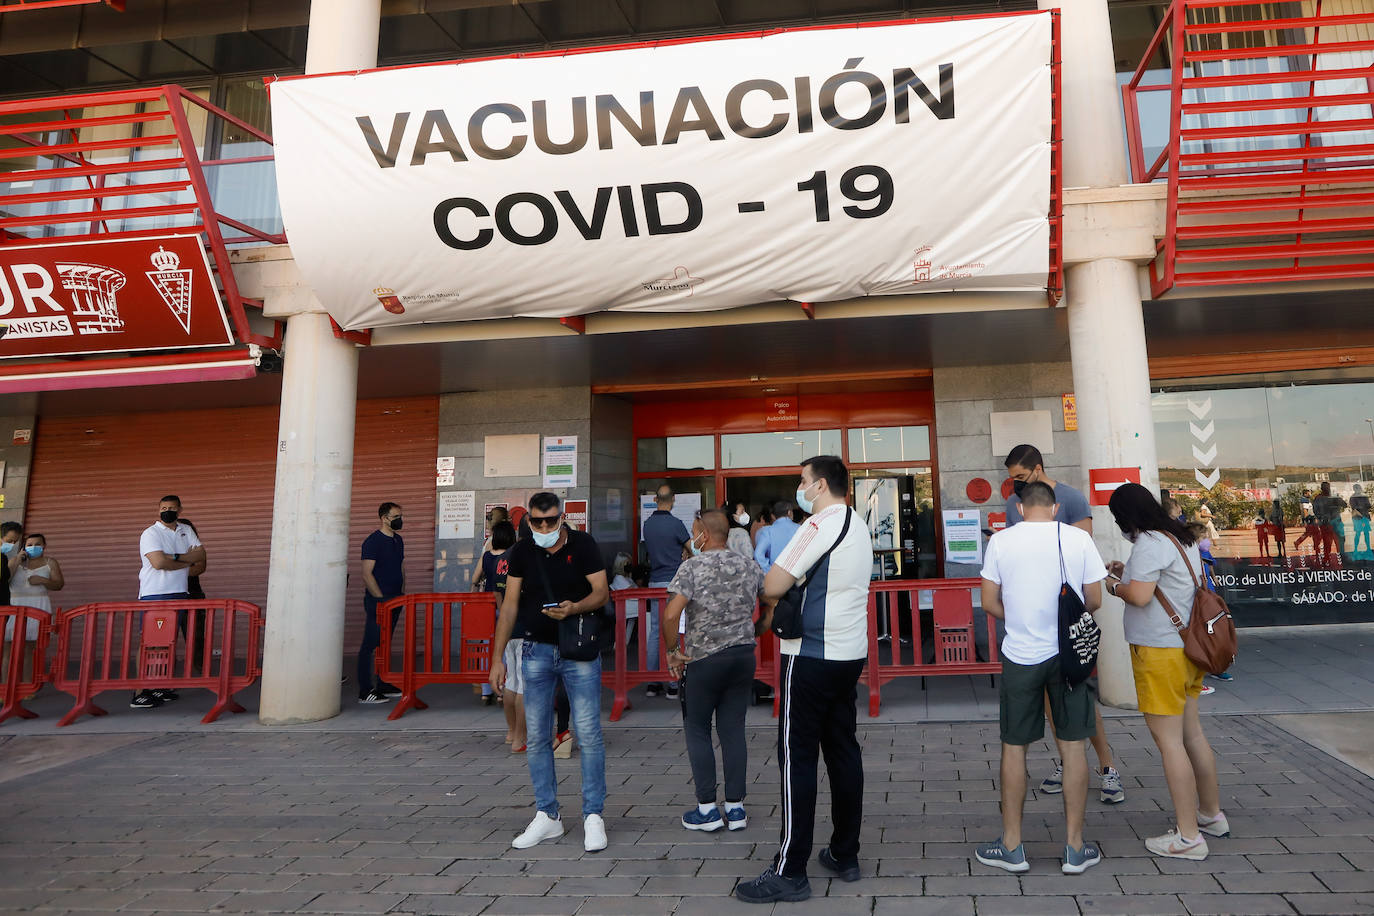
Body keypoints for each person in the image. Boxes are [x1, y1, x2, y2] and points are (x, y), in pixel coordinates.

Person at [737, 456, 872, 904]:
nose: (800, 488)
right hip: (848, 653)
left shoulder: (816, 526)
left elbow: (773, 584)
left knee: (797, 758)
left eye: (802, 481)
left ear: (818, 487)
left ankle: (790, 870)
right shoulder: (857, 522)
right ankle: (843, 852)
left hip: (809, 654)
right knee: (842, 750)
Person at [975, 480, 1105, 875]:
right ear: (1053, 508)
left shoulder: (1001, 541)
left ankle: (1012, 846)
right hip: (1068, 658)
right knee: (1073, 747)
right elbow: (1095, 599)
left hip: (1020, 656)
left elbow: (987, 602)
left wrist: (1017, 619)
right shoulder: (1079, 539)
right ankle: (1075, 848)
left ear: (1017, 508)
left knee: (1014, 747)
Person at [1104, 483, 1227, 861]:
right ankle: (1210, 815)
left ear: (1127, 516)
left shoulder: (1149, 543)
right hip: (1190, 650)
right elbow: (1166, 584)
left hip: (1160, 652)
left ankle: (1188, 837)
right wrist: (1130, 574)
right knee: (1192, 734)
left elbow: (1140, 596)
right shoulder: (1181, 537)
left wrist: (1112, 585)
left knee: (1169, 742)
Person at [1002, 445, 1124, 805]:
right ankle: (1067, 762)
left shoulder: (1070, 497)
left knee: (1080, 697)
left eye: (1020, 478)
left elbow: (1084, 550)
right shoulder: (1015, 505)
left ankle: (1107, 767)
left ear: (1038, 469)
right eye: (1011, 479)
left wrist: (1083, 610)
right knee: (1052, 702)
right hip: (1033, 622)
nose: (1014, 486)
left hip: (1069, 617)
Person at [490, 491, 610, 853]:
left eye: (550, 520)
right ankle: (547, 815)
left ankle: (593, 816)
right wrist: (497, 658)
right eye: (536, 521)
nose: (543, 527)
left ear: (561, 517)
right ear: (527, 520)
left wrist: (574, 608)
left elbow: (601, 592)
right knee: (538, 736)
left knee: (588, 733)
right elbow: (509, 605)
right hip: (535, 648)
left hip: (579, 650)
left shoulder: (584, 544)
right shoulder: (522, 551)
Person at [664, 509, 766, 833]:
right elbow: (774, 602)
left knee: (697, 727)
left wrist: (673, 653)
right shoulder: (748, 566)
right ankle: (736, 808)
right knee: (733, 729)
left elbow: (670, 616)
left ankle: (707, 809)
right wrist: (753, 631)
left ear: (703, 535)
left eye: (694, 532)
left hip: (704, 658)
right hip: (742, 656)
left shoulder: (691, 567)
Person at [133, 496, 207, 709]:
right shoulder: (151, 533)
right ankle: (140, 691)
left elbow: (200, 555)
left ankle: (158, 685)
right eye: (164, 508)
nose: (167, 511)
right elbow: (157, 562)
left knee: (166, 642)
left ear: (180, 509)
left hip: (180, 593)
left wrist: (172, 559)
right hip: (155, 594)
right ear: (158, 510)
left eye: (172, 508)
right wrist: (185, 559)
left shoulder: (185, 530)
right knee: (149, 642)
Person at [642, 485, 690, 698]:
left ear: (654, 499)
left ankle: (652, 683)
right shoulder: (676, 524)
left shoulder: (647, 525)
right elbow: (692, 549)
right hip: (674, 582)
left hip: (654, 582)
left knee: (655, 631)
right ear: (674, 499)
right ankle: (673, 682)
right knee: (676, 629)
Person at [358, 502, 405, 704]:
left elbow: (401, 566)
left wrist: (402, 592)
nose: (399, 520)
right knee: (370, 644)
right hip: (379, 602)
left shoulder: (398, 540)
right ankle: (365, 691)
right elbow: (367, 574)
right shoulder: (373, 542)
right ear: (384, 518)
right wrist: (380, 600)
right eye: (395, 516)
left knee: (384, 644)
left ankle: (383, 682)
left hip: (395, 599)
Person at [473, 520, 516, 707]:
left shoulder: (486, 557)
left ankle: (485, 692)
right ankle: (503, 690)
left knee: (485, 647)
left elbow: (475, 579)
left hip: (486, 607)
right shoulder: (512, 557)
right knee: (505, 649)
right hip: (508, 607)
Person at [1, 525, 46, 682]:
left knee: (29, 648)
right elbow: (5, 580)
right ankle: (5, 688)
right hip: (11, 609)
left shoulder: (48, 562)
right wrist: (18, 560)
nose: (11, 544)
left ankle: (26, 685)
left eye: (14, 541)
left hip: (31, 609)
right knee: (7, 648)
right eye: (9, 540)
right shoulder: (10, 560)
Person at [753, 499, 800, 573]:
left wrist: (769, 570)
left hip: (776, 575)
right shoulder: (800, 529)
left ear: (774, 516)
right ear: (789, 512)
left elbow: (758, 555)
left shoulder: (768, 531)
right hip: (797, 575)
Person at [1351, 484, 1372, 560]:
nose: (1358, 489)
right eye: (1356, 488)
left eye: (1358, 488)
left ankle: (1368, 549)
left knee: (1365, 534)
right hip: (1359, 517)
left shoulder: (1362, 497)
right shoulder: (1354, 497)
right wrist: (1364, 508)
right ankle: (1356, 549)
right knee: (1358, 533)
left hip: (1362, 517)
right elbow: (1354, 507)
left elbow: (1369, 506)